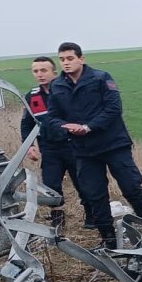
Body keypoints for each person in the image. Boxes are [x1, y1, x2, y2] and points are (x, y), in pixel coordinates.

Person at [47, 41, 142, 249]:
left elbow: (114, 107)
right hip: (83, 151)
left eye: (70, 58)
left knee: (131, 187)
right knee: (94, 195)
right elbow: (52, 117)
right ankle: (108, 241)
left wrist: (89, 127)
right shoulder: (57, 86)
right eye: (62, 59)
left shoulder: (100, 78)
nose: (66, 63)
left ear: (81, 58)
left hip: (113, 144)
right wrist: (65, 125)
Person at [19, 56, 93, 229]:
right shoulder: (32, 96)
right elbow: (27, 124)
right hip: (50, 148)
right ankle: (57, 223)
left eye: (43, 70)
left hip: (74, 146)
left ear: (54, 71)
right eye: (35, 71)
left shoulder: (68, 91)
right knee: (50, 186)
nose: (39, 74)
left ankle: (92, 217)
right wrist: (29, 146)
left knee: (84, 183)